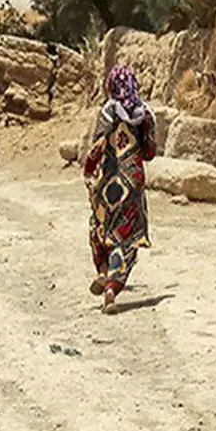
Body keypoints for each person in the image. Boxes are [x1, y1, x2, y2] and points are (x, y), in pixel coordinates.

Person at [82, 64, 157, 315]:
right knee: (126, 239)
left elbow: (96, 148)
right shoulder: (144, 115)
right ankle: (112, 290)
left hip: (108, 185)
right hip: (132, 186)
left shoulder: (107, 113)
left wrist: (88, 171)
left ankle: (103, 273)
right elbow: (149, 153)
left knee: (102, 230)